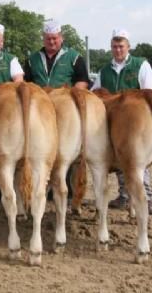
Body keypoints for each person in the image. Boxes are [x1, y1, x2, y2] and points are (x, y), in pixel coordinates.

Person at [92, 28, 152, 215]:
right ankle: (125, 195)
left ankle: (148, 198)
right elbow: (95, 92)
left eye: (121, 46)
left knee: (138, 158)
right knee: (120, 158)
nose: (117, 50)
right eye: (114, 46)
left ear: (128, 46)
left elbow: (150, 93)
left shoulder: (141, 65)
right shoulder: (105, 70)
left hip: (137, 122)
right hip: (112, 120)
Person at [25, 20, 90, 202]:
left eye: (54, 38)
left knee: (66, 149)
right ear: (43, 38)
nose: (51, 42)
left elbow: (83, 81)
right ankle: (41, 188)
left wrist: (69, 98)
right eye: (48, 39)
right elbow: (27, 84)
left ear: (61, 38)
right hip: (40, 112)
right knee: (41, 147)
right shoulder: (32, 59)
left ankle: (66, 187)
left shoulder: (74, 57)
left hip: (65, 111)